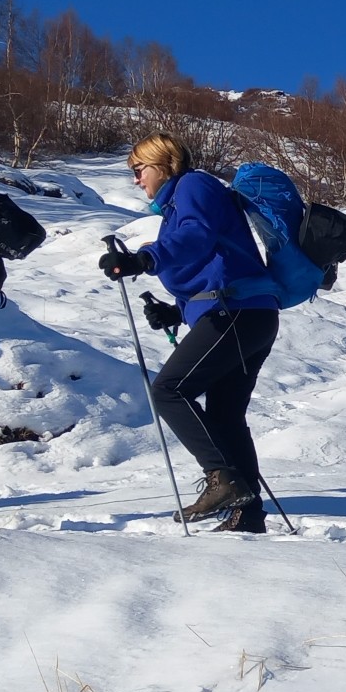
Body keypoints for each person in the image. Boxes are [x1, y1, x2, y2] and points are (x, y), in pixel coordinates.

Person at [97, 134, 280, 534]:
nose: (136, 180)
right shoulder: (181, 203)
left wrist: (145, 259)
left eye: (139, 169)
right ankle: (247, 515)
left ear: (164, 163)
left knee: (168, 390)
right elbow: (215, 262)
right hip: (248, 314)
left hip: (236, 313)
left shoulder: (194, 185)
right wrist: (176, 312)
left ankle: (222, 479)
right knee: (225, 416)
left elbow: (197, 236)